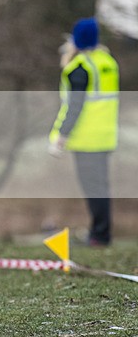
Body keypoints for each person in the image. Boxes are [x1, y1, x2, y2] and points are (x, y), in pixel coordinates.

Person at [49, 17, 119, 246]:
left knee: (93, 188)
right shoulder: (106, 62)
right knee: (100, 187)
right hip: (105, 136)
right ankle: (100, 233)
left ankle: (99, 235)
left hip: (87, 138)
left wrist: (60, 135)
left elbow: (74, 106)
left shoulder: (80, 68)